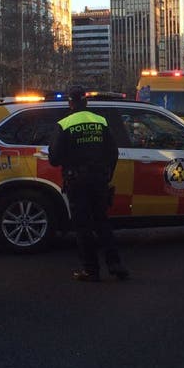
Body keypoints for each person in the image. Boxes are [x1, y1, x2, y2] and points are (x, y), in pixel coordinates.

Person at [48, 86, 128, 282]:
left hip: (77, 181)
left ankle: (91, 270)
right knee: (102, 222)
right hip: (99, 179)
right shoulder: (100, 121)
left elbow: (54, 158)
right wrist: (108, 174)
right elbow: (113, 152)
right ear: (86, 102)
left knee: (83, 226)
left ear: (70, 103)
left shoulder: (65, 123)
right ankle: (115, 264)